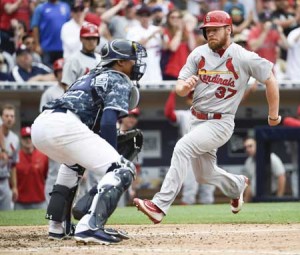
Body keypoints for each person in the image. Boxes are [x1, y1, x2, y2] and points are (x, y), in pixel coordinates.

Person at [133, 10, 281, 224]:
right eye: (207, 30)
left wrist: (274, 115)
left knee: (182, 147)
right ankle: (236, 185)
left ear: (228, 29)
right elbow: (180, 88)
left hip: (221, 121)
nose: (210, 34)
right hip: (197, 119)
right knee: (204, 174)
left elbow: (270, 79)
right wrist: (185, 86)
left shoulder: (243, 56)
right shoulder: (198, 54)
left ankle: (159, 205)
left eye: (215, 30)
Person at [31, 39, 147, 244]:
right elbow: (109, 120)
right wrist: (112, 159)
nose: (136, 64)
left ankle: (58, 227)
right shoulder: (118, 76)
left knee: (72, 167)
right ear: (119, 62)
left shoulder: (89, 75)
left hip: (42, 125)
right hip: (64, 125)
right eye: (132, 59)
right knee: (122, 169)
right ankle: (89, 227)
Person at [165, 90, 215, 205]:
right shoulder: (184, 115)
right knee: (189, 190)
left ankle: (210, 220)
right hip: (190, 155)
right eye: (193, 96)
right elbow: (169, 113)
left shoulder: (211, 115)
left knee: (207, 192)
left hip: (207, 154)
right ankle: (186, 222)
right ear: (189, 100)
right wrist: (172, 93)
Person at [39, 58, 66, 203]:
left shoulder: (76, 89)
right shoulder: (49, 93)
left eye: (64, 71)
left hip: (72, 137)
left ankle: (73, 208)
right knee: (54, 172)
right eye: (59, 71)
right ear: (55, 74)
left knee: (75, 172)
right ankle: (49, 206)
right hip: (55, 137)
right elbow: (43, 117)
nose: (62, 74)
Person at [242, 137, 286, 202]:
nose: (248, 149)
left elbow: (281, 177)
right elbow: (249, 183)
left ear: (257, 146)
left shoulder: (271, 158)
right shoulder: (248, 162)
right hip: (255, 198)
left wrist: (279, 198)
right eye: (245, 147)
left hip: (272, 196)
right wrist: (246, 200)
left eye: (250, 146)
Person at [15, 126, 48, 210]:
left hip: (40, 201)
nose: (28, 140)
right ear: (21, 139)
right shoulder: (16, 157)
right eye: (25, 137)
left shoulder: (43, 156)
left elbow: (46, 176)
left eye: (30, 137)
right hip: (20, 202)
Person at [61, 22, 101, 88]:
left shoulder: (101, 59)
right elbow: (66, 86)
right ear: (81, 39)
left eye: (94, 38)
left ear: (98, 40)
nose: (91, 41)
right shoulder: (73, 59)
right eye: (88, 38)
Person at [0, 104, 19, 211]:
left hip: (4, 181)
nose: (9, 118)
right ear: (2, 117)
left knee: (7, 214)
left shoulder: (15, 139)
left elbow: (13, 165)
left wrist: (14, 186)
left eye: (12, 116)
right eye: (6, 116)